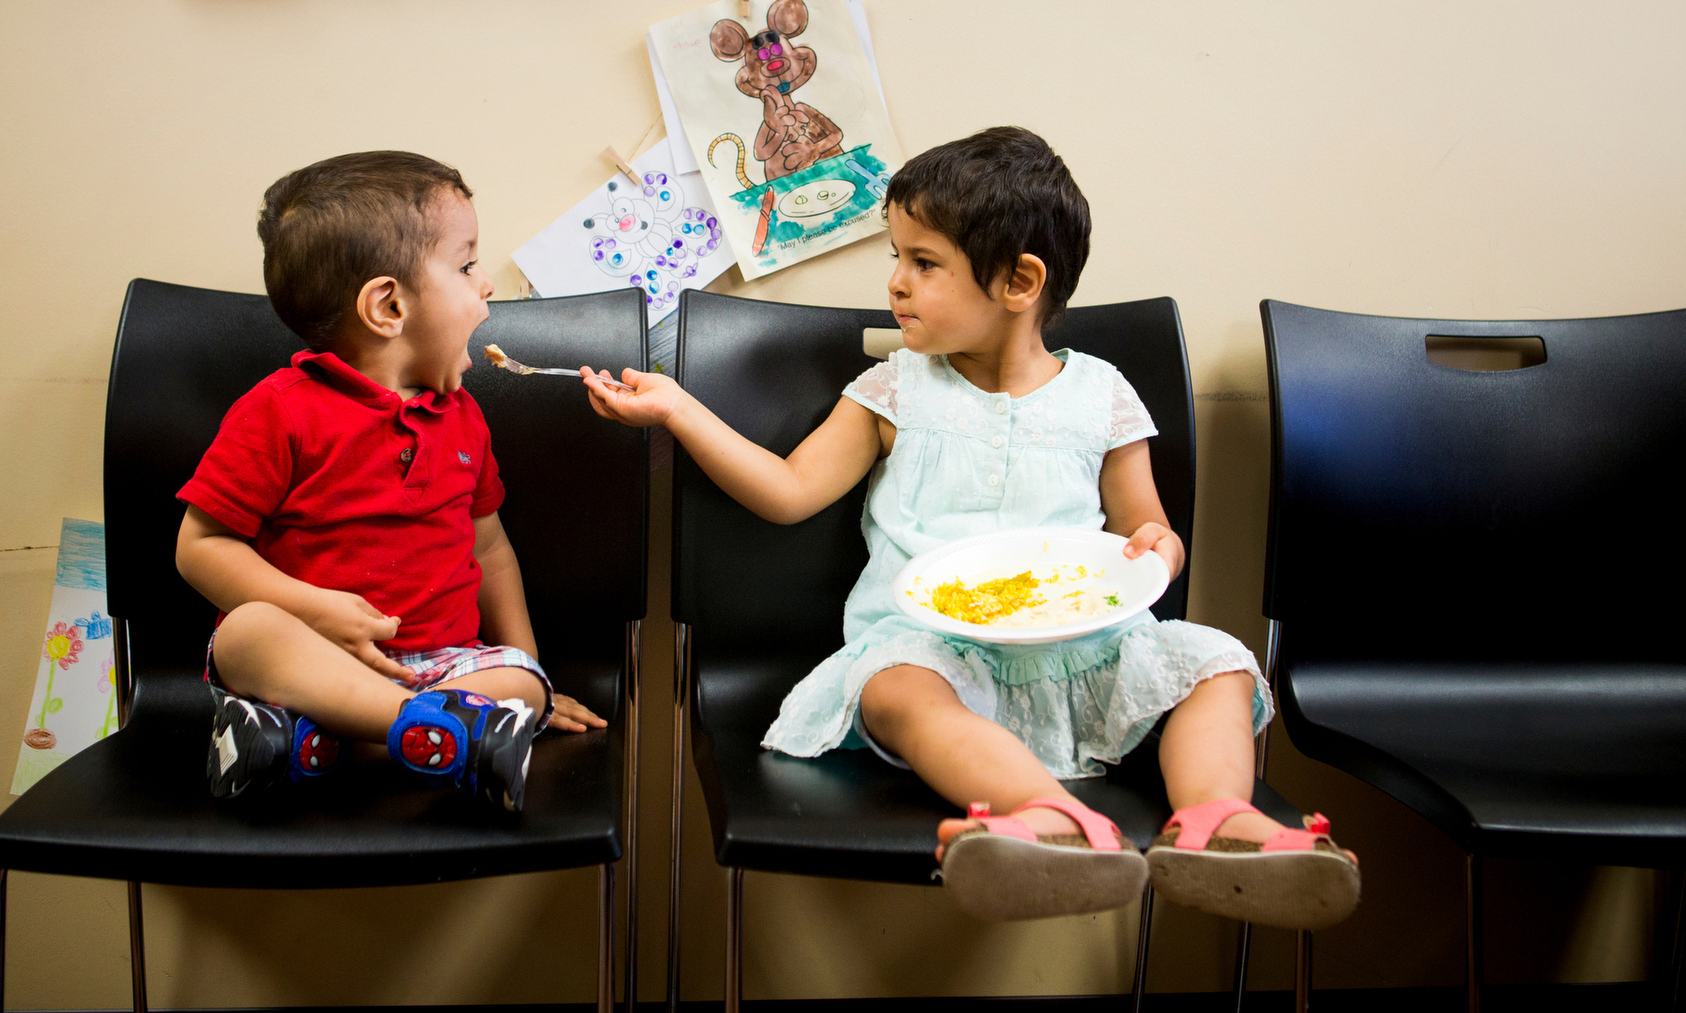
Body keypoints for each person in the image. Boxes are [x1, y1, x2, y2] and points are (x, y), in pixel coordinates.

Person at [580, 127, 1360, 927]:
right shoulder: (896, 389)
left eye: (923, 263)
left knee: (1218, 662)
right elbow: (787, 490)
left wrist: (1160, 547)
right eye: (896, 255)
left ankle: (1217, 822)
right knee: (894, 690)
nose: (895, 283)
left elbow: (1148, 529)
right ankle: (1053, 819)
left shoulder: (1103, 395)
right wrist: (675, 407)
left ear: (1020, 281)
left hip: (1083, 654)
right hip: (933, 653)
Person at [174, 151, 605, 806]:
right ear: (388, 304)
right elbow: (199, 548)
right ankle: (416, 735)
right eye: (465, 265)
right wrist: (312, 607)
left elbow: (490, 550)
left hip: (446, 666)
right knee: (244, 633)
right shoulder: (279, 410)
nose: (485, 281)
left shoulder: (463, 416)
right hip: (316, 660)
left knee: (523, 686)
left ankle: (326, 741)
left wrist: (534, 674)